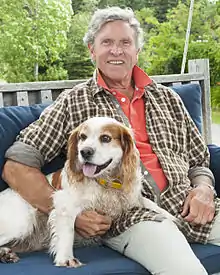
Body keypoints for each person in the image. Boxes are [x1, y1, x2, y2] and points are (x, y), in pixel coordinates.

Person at [2, 6, 220, 275]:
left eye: (125, 43)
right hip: (131, 216)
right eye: (107, 42)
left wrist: (203, 190)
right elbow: (16, 166)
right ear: (92, 50)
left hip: (189, 204)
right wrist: (73, 215)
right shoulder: (74, 101)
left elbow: (200, 159)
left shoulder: (169, 99)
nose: (116, 51)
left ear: (136, 51)